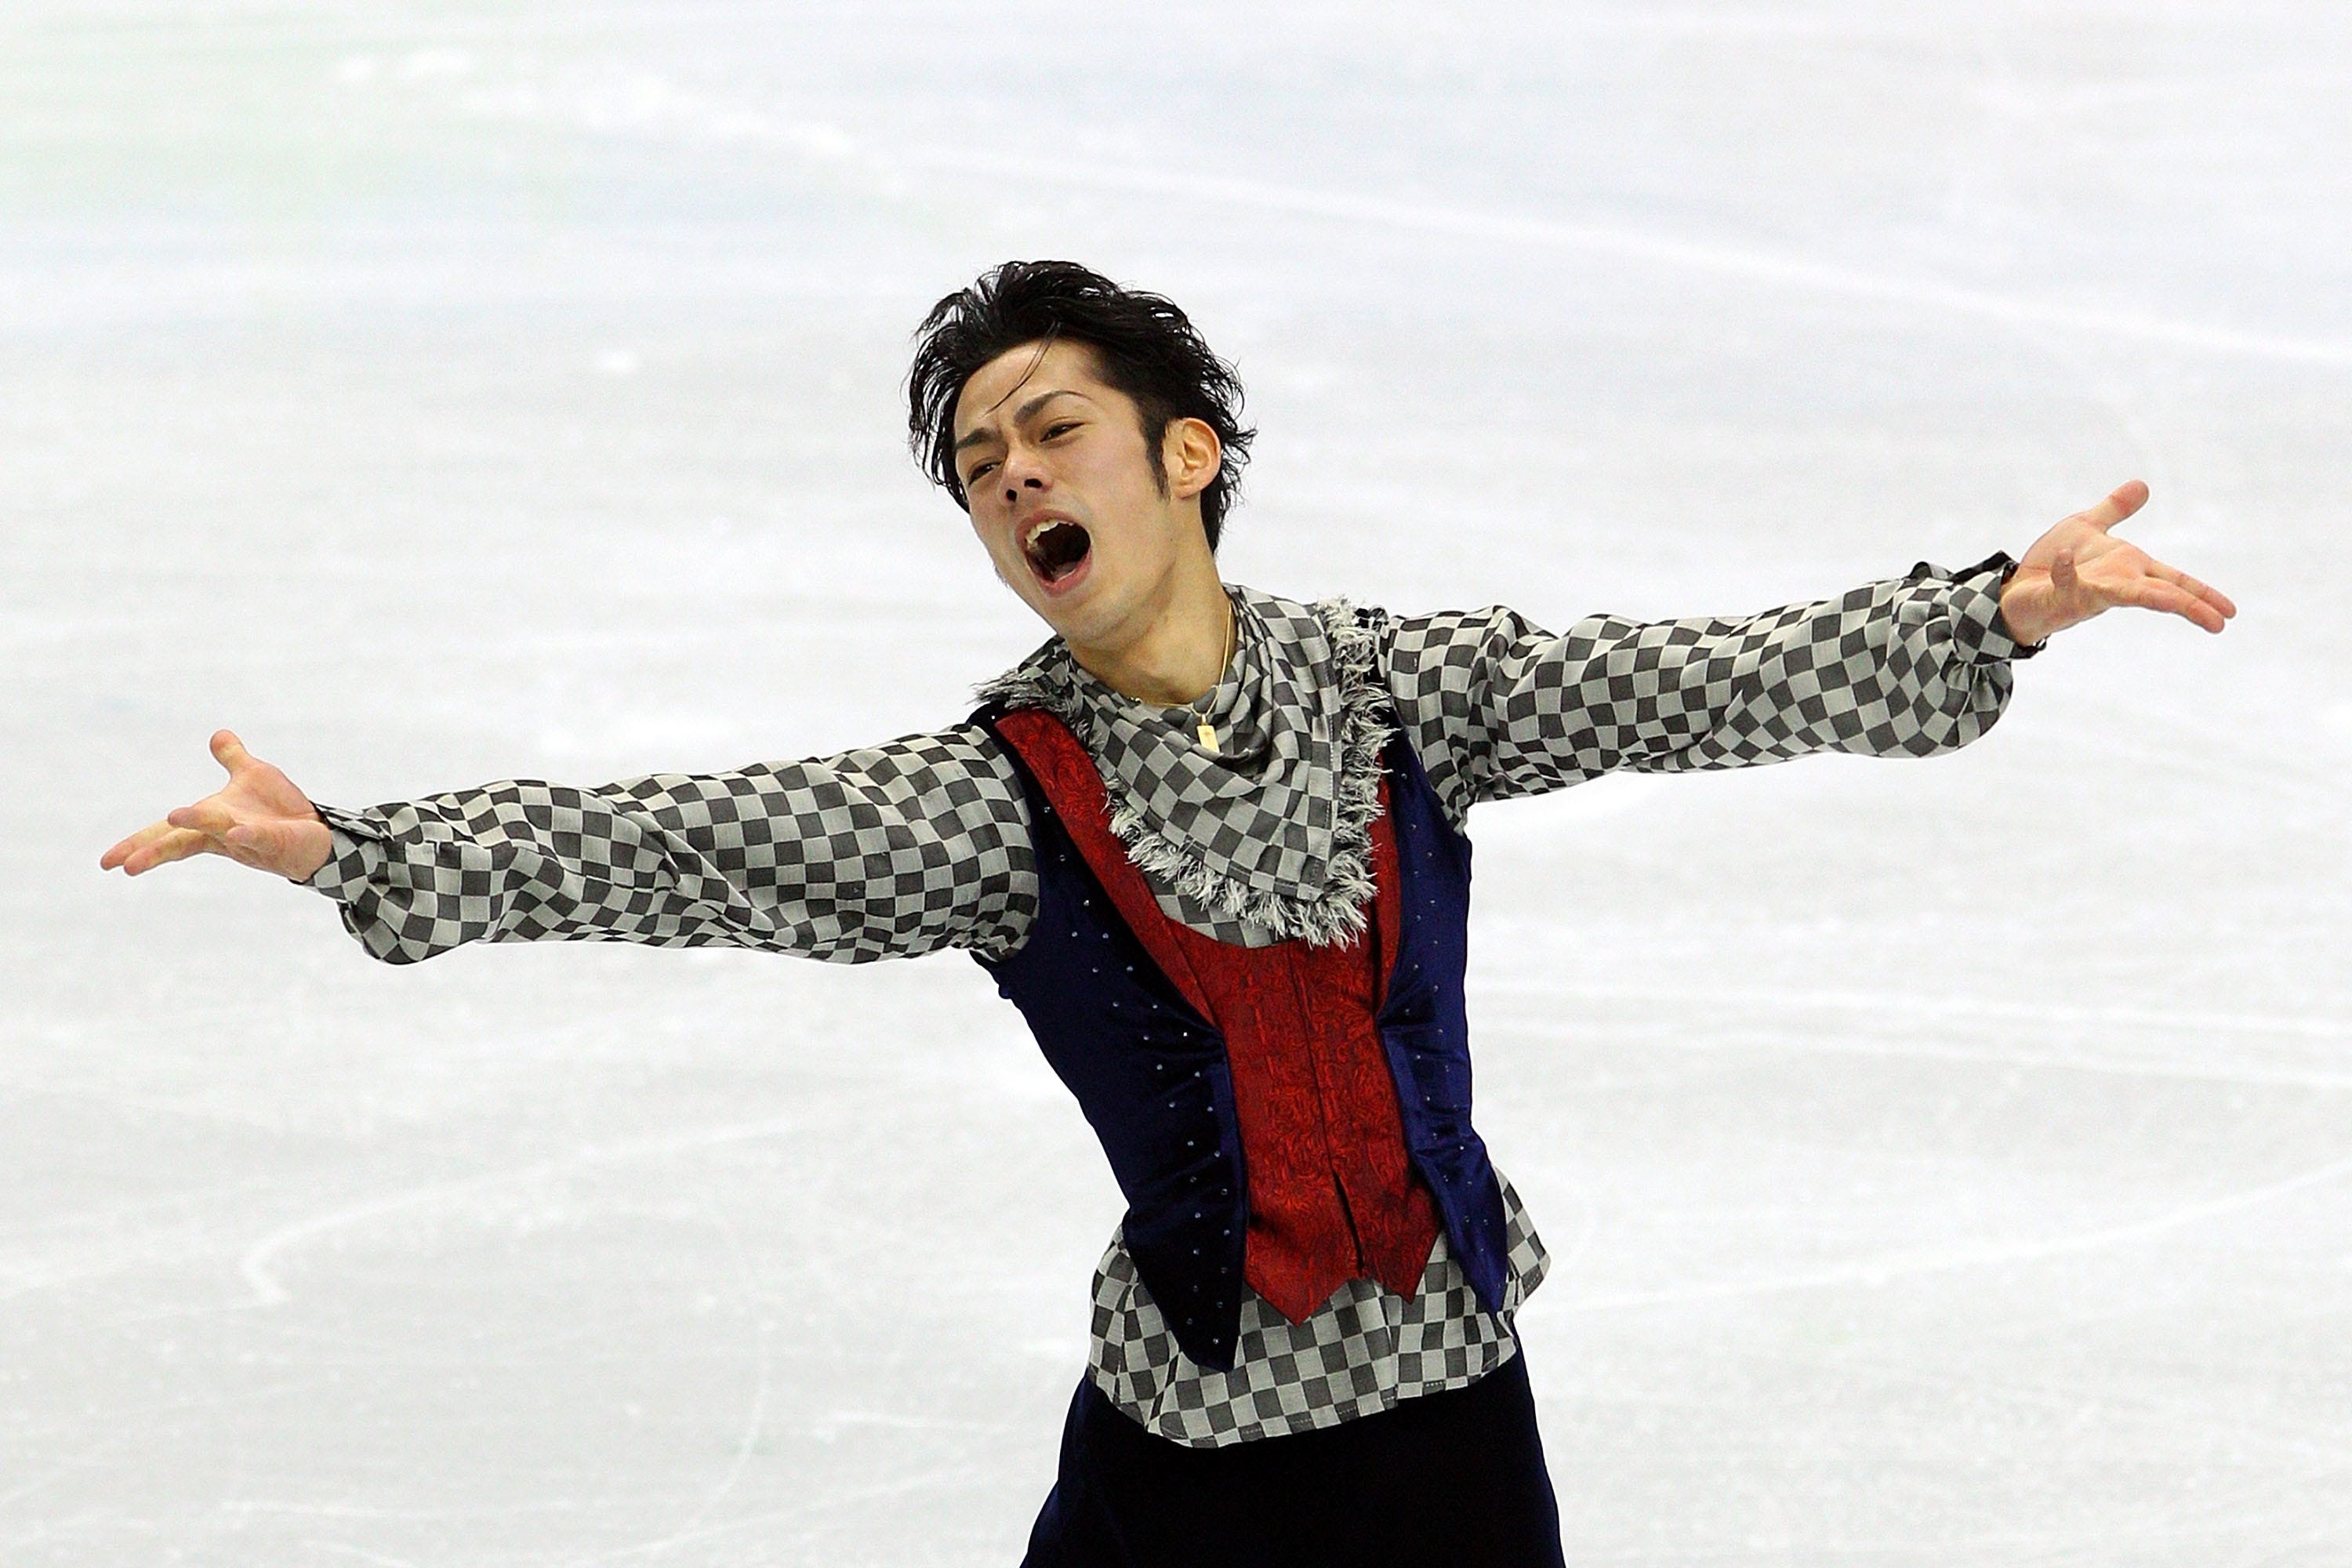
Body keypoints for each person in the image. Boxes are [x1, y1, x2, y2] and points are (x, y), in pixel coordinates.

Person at [101, 260, 2236, 1566]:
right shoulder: (993, 805)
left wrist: (2001, 609)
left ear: (1188, 451)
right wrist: (359, 851)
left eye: (1055, 431)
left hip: (1455, 1409)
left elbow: (1700, 677)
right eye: (979, 465)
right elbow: (686, 843)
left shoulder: (1410, 690)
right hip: (1197, 1465)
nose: (1018, 479)